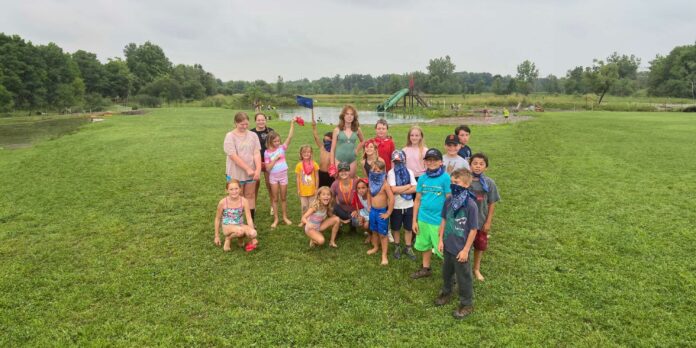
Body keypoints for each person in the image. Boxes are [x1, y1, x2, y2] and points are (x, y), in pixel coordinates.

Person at [434, 168, 479, 319]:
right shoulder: (448, 201)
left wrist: (466, 250)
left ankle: (467, 303)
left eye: (457, 182)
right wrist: (440, 240)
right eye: (452, 182)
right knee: (446, 273)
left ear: (466, 184)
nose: (453, 185)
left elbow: (473, 230)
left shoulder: (471, 205)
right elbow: (444, 220)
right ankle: (447, 292)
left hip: (461, 249)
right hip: (448, 245)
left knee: (463, 276)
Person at [411, 148, 451, 279]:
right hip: (423, 218)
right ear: (425, 162)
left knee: (442, 248)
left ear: (441, 162)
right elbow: (417, 200)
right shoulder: (422, 178)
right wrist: (414, 220)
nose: (431, 162)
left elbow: (449, 200)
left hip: (438, 220)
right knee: (425, 244)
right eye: (429, 160)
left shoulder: (446, 178)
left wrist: (446, 222)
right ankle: (426, 268)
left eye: (435, 160)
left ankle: (451, 274)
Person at [468, 153, 501, 281]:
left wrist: (488, 222)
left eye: (481, 164)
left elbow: (492, 203)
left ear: (486, 167)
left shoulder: (489, 183)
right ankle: (465, 268)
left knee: (479, 245)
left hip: (481, 221)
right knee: (465, 246)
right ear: (470, 165)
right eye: (475, 163)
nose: (478, 166)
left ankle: (476, 268)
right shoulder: (466, 180)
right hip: (466, 221)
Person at [224, 112, 262, 222]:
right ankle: (236, 222)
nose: (244, 127)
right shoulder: (230, 136)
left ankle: (250, 222)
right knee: (236, 196)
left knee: (250, 195)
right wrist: (247, 169)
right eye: (241, 124)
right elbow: (233, 156)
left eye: (246, 124)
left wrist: (258, 169)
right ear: (235, 123)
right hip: (236, 173)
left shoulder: (253, 135)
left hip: (251, 173)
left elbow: (256, 153)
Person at [264, 121, 296, 228]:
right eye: (275, 141)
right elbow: (268, 168)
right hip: (273, 177)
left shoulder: (282, 148)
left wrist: (292, 124)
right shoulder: (267, 153)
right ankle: (276, 219)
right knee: (275, 198)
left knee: (283, 197)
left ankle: (285, 217)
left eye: (278, 140)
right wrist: (275, 159)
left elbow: (290, 137)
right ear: (270, 141)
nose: (278, 143)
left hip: (283, 176)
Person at [387, 150, 417, 261]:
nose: (397, 163)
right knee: (396, 227)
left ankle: (408, 247)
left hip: (409, 205)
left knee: (408, 228)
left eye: (400, 161)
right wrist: (408, 186)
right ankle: (397, 246)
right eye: (395, 161)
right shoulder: (391, 173)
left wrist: (400, 190)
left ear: (404, 160)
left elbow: (415, 188)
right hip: (396, 206)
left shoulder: (409, 171)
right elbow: (393, 189)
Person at [214, 180, 258, 252]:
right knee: (240, 231)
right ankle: (228, 238)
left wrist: (253, 238)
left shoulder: (244, 201)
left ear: (240, 189)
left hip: (240, 225)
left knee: (253, 233)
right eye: (231, 189)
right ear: (227, 190)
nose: (234, 191)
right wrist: (216, 236)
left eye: (236, 189)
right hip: (227, 226)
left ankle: (240, 239)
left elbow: (249, 219)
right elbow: (217, 219)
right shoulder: (223, 202)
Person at [366, 160, 394, 265]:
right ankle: (376, 247)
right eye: (374, 170)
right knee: (374, 231)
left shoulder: (385, 184)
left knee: (383, 234)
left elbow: (391, 199)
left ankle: (384, 255)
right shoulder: (371, 183)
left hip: (382, 212)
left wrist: (388, 212)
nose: (376, 173)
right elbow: (369, 193)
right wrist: (369, 205)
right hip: (373, 211)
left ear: (383, 172)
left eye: (378, 171)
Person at [330, 105, 364, 178]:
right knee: (339, 180)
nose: (349, 116)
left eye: (352, 114)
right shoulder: (337, 130)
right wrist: (332, 165)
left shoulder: (357, 129)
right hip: (339, 159)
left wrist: (357, 150)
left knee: (351, 180)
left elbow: (363, 141)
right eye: (347, 114)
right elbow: (332, 149)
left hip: (352, 159)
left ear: (354, 116)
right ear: (343, 116)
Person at [251, 113, 274, 215]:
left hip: (268, 161)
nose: (261, 122)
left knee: (269, 183)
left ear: (266, 120)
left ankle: (273, 205)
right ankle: (253, 205)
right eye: (259, 120)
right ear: (255, 121)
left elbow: (276, 145)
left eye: (263, 120)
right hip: (255, 162)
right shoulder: (251, 133)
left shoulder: (270, 131)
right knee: (255, 184)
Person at [295, 144, 320, 227]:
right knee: (304, 207)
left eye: (308, 152)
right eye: (304, 152)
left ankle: (312, 220)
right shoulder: (299, 165)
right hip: (303, 191)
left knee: (312, 207)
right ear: (301, 154)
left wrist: (316, 188)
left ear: (311, 153)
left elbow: (317, 177)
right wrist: (298, 189)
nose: (306, 154)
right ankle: (303, 220)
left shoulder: (314, 164)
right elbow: (298, 178)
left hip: (312, 190)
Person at [311, 114, 335, 188]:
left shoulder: (334, 150)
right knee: (320, 191)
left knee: (330, 192)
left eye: (328, 140)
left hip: (330, 174)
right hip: (320, 173)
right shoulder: (322, 147)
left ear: (333, 140)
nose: (326, 141)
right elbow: (316, 137)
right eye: (325, 140)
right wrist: (314, 127)